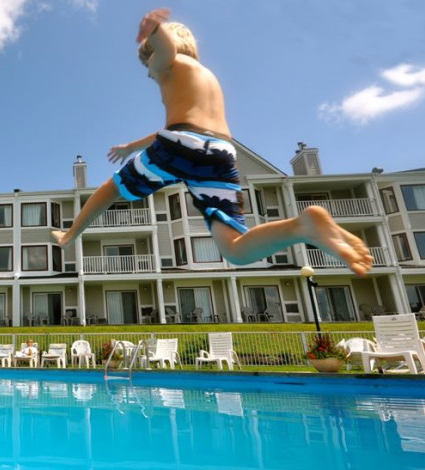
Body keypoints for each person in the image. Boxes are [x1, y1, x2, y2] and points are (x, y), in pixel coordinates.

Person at [52, 8, 372, 276]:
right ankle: (302, 227)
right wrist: (132, 147)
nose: (150, 74)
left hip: (182, 144)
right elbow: (177, 132)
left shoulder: (169, 63)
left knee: (112, 188)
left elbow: (164, 54)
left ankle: (70, 234)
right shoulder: (207, 77)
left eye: (147, 66)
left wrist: (154, 30)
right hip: (219, 151)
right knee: (235, 249)